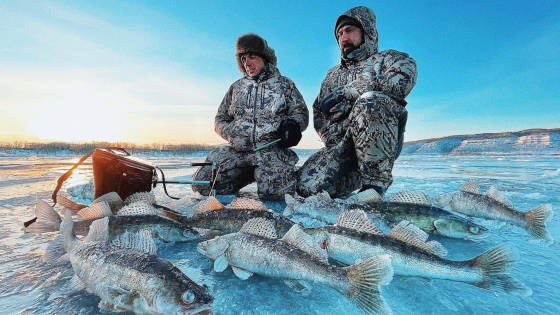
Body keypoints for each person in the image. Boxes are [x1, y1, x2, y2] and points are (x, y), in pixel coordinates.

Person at [297, 6, 417, 198]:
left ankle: (374, 187)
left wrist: (348, 92)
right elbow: (319, 112)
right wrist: (332, 141)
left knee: (369, 101)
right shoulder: (332, 75)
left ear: (366, 31)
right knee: (304, 189)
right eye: (339, 34)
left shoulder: (390, 59)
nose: (343, 37)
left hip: (376, 144)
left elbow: (402, 81)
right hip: (341, 146)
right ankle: (349, 178)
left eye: (349, 30)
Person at [192, 33, 308, 201]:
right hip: (238, 151)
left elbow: (301, 113)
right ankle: (246, 173)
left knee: (275, 196)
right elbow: (220, 119)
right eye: (243, 58)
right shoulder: (236, 87)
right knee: (202, 185)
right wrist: (232, 133)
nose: (247, 62)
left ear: (264, 58)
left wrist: (292, 125)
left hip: (271, 151)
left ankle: (268, 174)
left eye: (252, 57)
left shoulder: (284, 84)